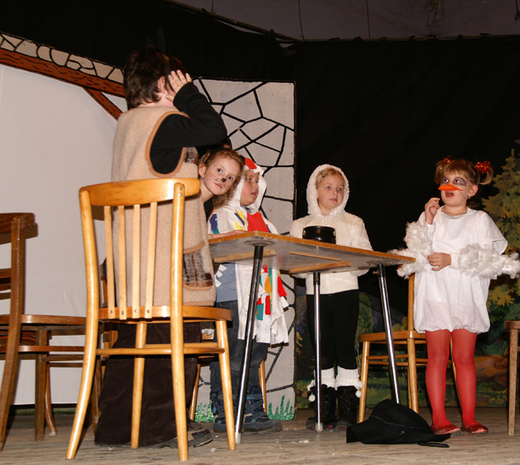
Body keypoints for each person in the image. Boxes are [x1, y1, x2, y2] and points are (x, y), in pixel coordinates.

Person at [94, 46, 243, 449]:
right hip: (164, 269)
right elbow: (214, 129)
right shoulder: (164, 121)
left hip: (133, 267)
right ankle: (161, 426)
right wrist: (188, 94)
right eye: (176, 81)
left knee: (132, 345)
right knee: (173, 342)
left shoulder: (128, 124)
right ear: (165, 84)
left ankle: (116, 427)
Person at [394, 158, 520, 436]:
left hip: (465, 297)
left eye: (458, 182)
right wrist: (428, 221)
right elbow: (414, 253)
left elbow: (489, 259)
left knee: (463, 358)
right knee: (437, 356)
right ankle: (439, 419)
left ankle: (469, 418)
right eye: (446, 180)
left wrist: (451, 259)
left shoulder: (480, 220)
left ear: (472, 190)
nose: (450, 186)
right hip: (435, 296)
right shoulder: (430, 217)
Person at [207, 158, 289, 433]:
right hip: (232, 297)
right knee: (232, 355)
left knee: (254, 356)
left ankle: (252, 409)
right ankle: (225, 410)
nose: (254, 185)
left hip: (260, 300)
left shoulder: (263, 221)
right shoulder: (221, 214)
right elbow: (219, 248)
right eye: (247, 180)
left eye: (257, 180)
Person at [289, 164, 373, 430]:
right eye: (328, 187)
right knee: (322, 350)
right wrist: (310, 264)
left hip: (346, 291)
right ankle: (324, 409)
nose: (334, 192)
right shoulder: (300, 225)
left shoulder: (354, 222)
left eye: (340, 188)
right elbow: (296, 266)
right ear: (314, 191)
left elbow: (366, 259)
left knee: (345, 348)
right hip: (316, 293)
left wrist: (343, 260)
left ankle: (347, 408)